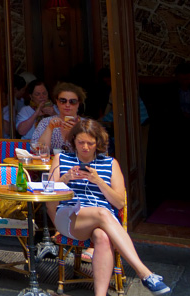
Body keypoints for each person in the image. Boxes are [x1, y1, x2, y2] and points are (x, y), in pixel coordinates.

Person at [48, 119, 171, 295]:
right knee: (103, 213)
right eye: (81, 142)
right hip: (70, 217)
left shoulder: (110, 163)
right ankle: (144, 272)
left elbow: (120, 202)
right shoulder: (62, 159)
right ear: (73, 140)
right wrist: (65, 179)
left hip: (103, 219)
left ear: (98, 143)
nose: (85, 147)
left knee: (103, 237)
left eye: (90, 143)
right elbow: (49, 194)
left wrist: (98, 181)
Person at [34, 82, 87, 153]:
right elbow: (38, 151)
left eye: (72, 101)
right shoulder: (45, 122)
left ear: (78, 103)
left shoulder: (87, 125)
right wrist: (49, 128)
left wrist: (78, 133)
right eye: (63, 101)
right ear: (57, 102)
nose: (67, 105)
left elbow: (98, 152)